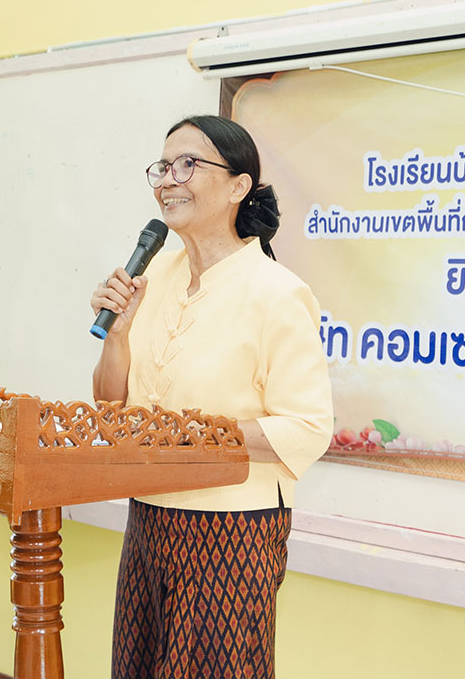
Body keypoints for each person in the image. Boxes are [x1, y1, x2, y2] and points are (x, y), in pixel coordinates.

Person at [90, 115, 333, 678]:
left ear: (237, 186)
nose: (169, 179)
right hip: (149, 515)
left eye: (188, 165)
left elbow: (308, 428)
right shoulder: (155, 275)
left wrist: (195, 435)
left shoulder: (277, 293)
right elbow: (110, 406)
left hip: (232, 529)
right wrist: (119, 335)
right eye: (163, 166)